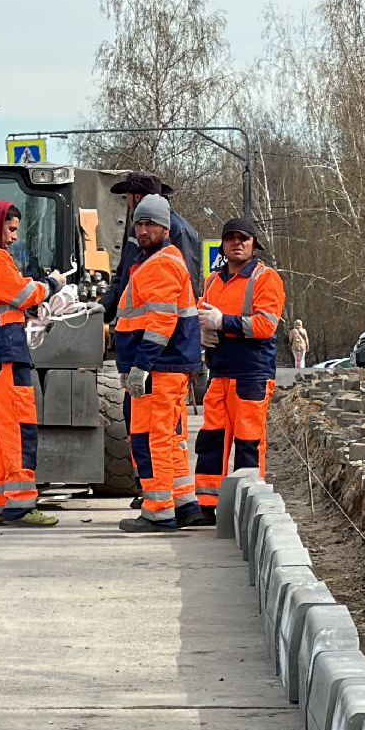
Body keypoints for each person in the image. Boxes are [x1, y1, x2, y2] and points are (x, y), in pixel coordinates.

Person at [0, 200, 67, 527]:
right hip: (3, 352)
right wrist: (53, 284)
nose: (15, 236)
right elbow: (23, 294)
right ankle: (20, 504)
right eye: (11, 228)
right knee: (18, 428)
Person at [114, 194, 204, 533]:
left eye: (150, 223)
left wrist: (141, 366)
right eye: (139, 223)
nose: (143, 229)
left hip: (159, 368)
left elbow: (160, 322)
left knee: (152, 438)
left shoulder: (160, 264)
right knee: (170, 437)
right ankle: (184, 503)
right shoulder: (159, 261)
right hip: (167, 366)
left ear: (166, 228)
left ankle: (158, 511)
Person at [191, 217, 285, 519]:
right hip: (219, 371)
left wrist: (223, 322)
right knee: (211, 440)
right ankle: (207, 505)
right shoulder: (212, 281)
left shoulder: (265, 278)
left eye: (243, 238)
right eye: (230, 238)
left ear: (254, 244)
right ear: (223, 244)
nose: (237, 243)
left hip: (251, 374)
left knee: (248, 442)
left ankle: (248, 510)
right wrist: (202, 329)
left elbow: (265, 325)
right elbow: (203, 314)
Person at [108, 172, 203, 308]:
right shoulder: (138, 228)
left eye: (127, 196)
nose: (143, 230)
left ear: (137, 197)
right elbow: (123, 274)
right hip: (132, 317)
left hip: (160, 318)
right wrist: (105, 306)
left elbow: (187, 286)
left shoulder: (179, 231)